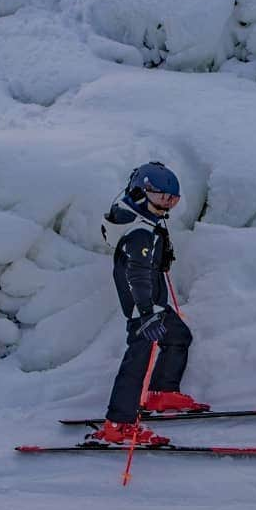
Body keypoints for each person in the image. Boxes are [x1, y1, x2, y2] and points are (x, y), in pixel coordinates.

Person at [90, 161, 208, 446]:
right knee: (138, 361)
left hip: (152, 305)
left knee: (178, 337)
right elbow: (137, 275)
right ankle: (118, 423)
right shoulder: (140, 231)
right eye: (160, 197)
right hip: (144, 309)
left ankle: (162, 392)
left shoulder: (141, 220)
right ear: (141, 192)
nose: (166, 205)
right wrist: (146, 316)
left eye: (172, 199)